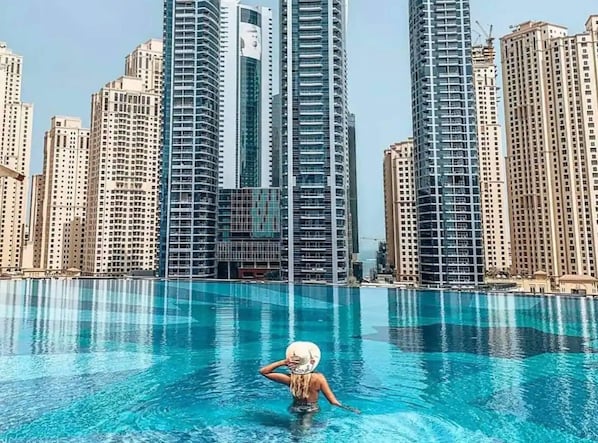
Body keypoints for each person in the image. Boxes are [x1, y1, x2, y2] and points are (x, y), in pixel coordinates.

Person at [259, 341, 360, 415]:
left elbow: (263, 372)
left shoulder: (291, 379)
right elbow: (333, 402)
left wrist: (283, 362)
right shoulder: (319, 378)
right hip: (312, 409)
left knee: (296, 432)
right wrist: (350, 409)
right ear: (311, 361)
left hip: (295, 408)